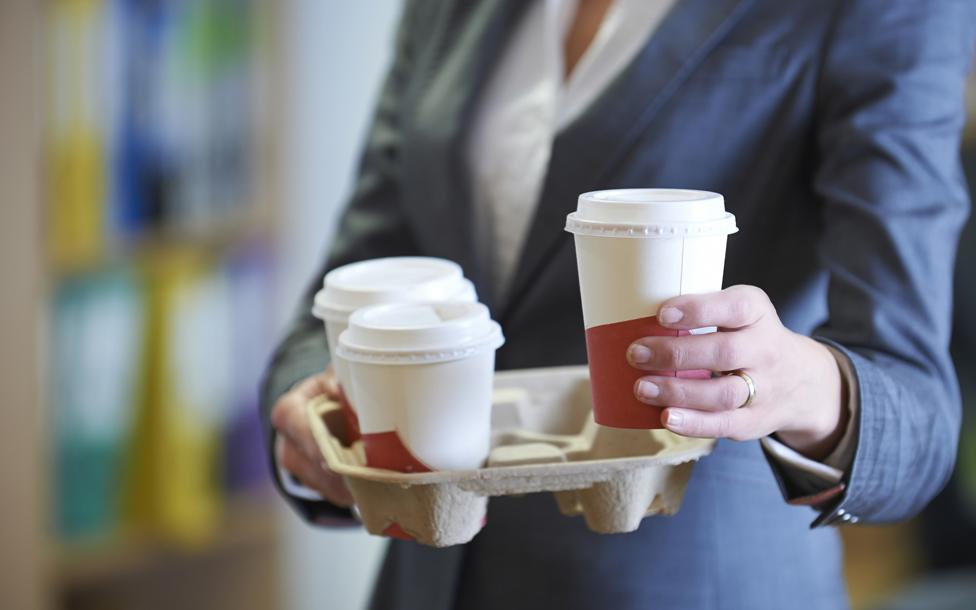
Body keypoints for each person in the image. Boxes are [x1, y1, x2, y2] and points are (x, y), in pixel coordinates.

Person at [261, 1, 976, 608]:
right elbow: (345, 292)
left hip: (687, 583)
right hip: (431, 575)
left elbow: (917, 413)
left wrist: (802, 386)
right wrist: (307, 415)